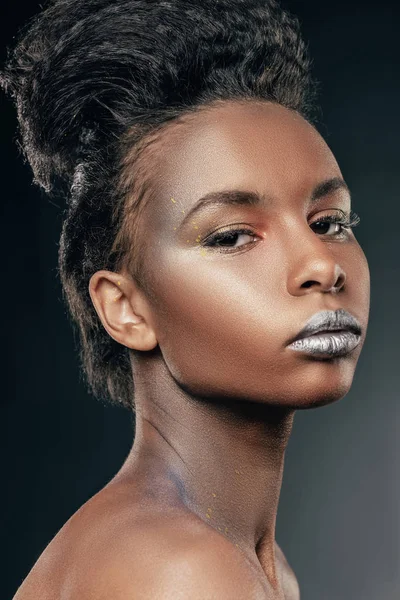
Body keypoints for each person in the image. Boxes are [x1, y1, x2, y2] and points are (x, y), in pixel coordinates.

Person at [2, 0, 370, 598]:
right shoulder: (177, 570)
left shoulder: (251, 563)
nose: (321, 266)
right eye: (232, 236)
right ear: (127, 307)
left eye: (330, 222)